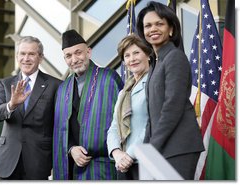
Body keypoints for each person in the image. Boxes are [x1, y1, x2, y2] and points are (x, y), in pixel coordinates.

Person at [136, 1, 205, 180]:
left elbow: (172, 106)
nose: (153, 29)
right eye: (148, 25)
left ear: (171, 29)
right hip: (161, 146)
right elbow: (153, 114)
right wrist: (146, 149)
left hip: (179, 146)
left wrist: (153, 146)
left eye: (159, 24)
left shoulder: (175, 57)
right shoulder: (155, 63)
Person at [53, 29, 123, 180]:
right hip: (73, 170)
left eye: (78, 52)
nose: (74, 59)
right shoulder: (62, 89)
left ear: (89, 52)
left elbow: (122, 122)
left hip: (105, 167)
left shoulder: (109, 78)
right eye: (68, 56)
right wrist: (71, 149)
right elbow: (62, 131)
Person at [0, 36, 62, 180]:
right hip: (6, 161)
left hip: (38, 160)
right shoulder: (5, 84)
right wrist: (12, 105)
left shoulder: (55, 85)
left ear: (41, 57)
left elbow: (59, 124)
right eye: (22, 54)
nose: (26, 58)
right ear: (17, 56)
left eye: (31, 54)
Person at [107, 34, 152, 180]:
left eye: (136, 53)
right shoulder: (124, 92)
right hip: (123, 164)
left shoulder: (154, 84)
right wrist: (116, 153)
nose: (132, 59)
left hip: (148, 161)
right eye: (127, 55)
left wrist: (129, 154)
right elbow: (114, 126)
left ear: (148, 55)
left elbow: (153, 124)